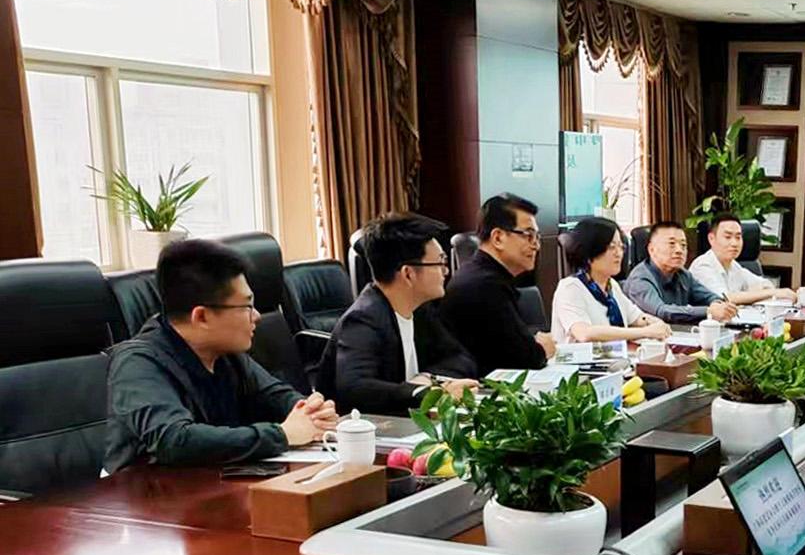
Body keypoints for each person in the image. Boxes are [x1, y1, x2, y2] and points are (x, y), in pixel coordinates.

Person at [105, 239, 339, 473]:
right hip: (148, 491)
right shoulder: (137, 363)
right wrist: (282, 434)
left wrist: (311, 412)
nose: (257, 316)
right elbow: (175, 440)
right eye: (246, 307)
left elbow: (276, 395)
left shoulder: (226, 353)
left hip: (216, 483)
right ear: (202, 317)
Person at [317, 213, 478, 415]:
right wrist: (429, 394)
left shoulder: (419, 309)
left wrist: (428, 378)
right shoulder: (363, 319)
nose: (445, 271)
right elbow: (356, 389)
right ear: (408, 273)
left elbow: (460, 358)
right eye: (440, 262)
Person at [442, 193, 556, 374]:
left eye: (537, 237)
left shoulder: (486, 276)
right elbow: (525, 358)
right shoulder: (484, 285)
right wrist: (543, 348)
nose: (536, 245)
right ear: (498, 238)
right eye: (528, 235)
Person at [551, 217, 672, 345]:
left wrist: (656, 323)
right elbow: (584, 333)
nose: (619, 253)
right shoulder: (570, 288)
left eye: (621, 247)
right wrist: (646, 332)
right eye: (611, 247)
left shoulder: (611, 285)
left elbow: (637, 318)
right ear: (590, 252)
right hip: (580, 358)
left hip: (615, 357)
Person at [622, 221, 739, 325]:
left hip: (679, 335)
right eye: (671, 244)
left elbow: (708, 297)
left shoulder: (683, 275)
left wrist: (719, 305)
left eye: (683, 245)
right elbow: (662, 312)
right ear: (652, 249)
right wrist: (709, 311)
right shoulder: (640, 280)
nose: (679, 250)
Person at [688, 214, 796, 305]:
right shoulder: (702, 266)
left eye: (738, 237)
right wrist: (773, 293)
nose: (734, 243)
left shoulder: (734, 266)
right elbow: (725, 298)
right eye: (728, 237)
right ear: (711, 238)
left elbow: (765, 285)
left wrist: (773, 292)